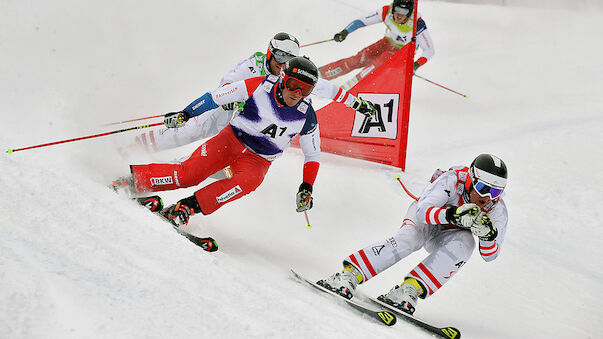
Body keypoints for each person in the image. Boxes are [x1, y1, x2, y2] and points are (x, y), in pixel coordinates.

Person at [113, 56, 376, 226]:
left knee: (247, 182)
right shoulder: (259, 86)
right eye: (294, 85)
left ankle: (186, 208)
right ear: (284, 79)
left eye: (305, 90)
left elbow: (313, 155)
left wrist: (306, 187)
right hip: (233, 139)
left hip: (258, 159)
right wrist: (186, 113)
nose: (298, 94)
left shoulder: (306, 116)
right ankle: (134, 180)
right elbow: (216, 96)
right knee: (190, 174)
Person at [317, 154, 508, 315]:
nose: (488, 198)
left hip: (449, 235)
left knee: (467, 243)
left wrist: (488, 236)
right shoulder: (452, 180)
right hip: (426, 219)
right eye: (483, 189)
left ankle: (409, 290)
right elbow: (422, 210)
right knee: (409, 239)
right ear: (470, 180)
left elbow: (490, 255)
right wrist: (451, 215)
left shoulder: (497, 209)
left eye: (496, 192)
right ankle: (348, 275)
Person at [133, 32, 375, 155]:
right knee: (193, 130)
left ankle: (190, 168)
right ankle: (138, 146)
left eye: (289, 59)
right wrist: (230, 102)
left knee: (235, 155)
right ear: (270, 53)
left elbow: (330, 90)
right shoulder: (253, 65)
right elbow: (227, 84)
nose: (283, 64)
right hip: (233, 113)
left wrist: (358, 105)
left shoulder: (294, 76)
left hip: (255, 125)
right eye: (280, 57)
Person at [319, 0, 435, 81]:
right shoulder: (387, 12)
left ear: (409, 13)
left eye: (404, 13)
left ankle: (354, 85)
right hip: (387, 43)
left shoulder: (417, 23)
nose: (399, 15)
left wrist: (416, 65)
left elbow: (429, 50)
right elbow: (361, 21)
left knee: (381, 60)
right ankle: (322, 74)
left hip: (403, 53)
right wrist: (345, 32)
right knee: (358, 59)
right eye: (397, 10)